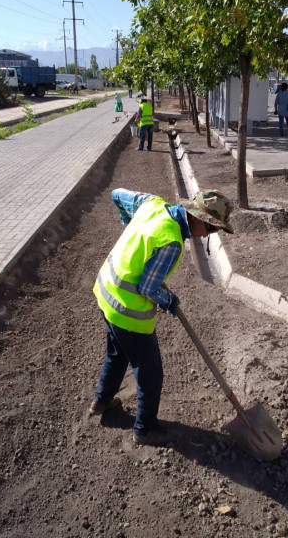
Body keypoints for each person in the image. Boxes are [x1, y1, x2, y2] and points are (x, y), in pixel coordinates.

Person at [90, 188, 234, 446]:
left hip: (106, 292)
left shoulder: (152, 204)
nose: (208, 235)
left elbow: (117, 195)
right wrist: (168, 300)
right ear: (197, 217)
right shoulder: (171, 242)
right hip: (127, 312)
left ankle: (101, 401)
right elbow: (148, 289)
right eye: (211, 228)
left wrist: (130, 226)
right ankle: (144, 429)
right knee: (150, 374)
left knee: (117, 353)